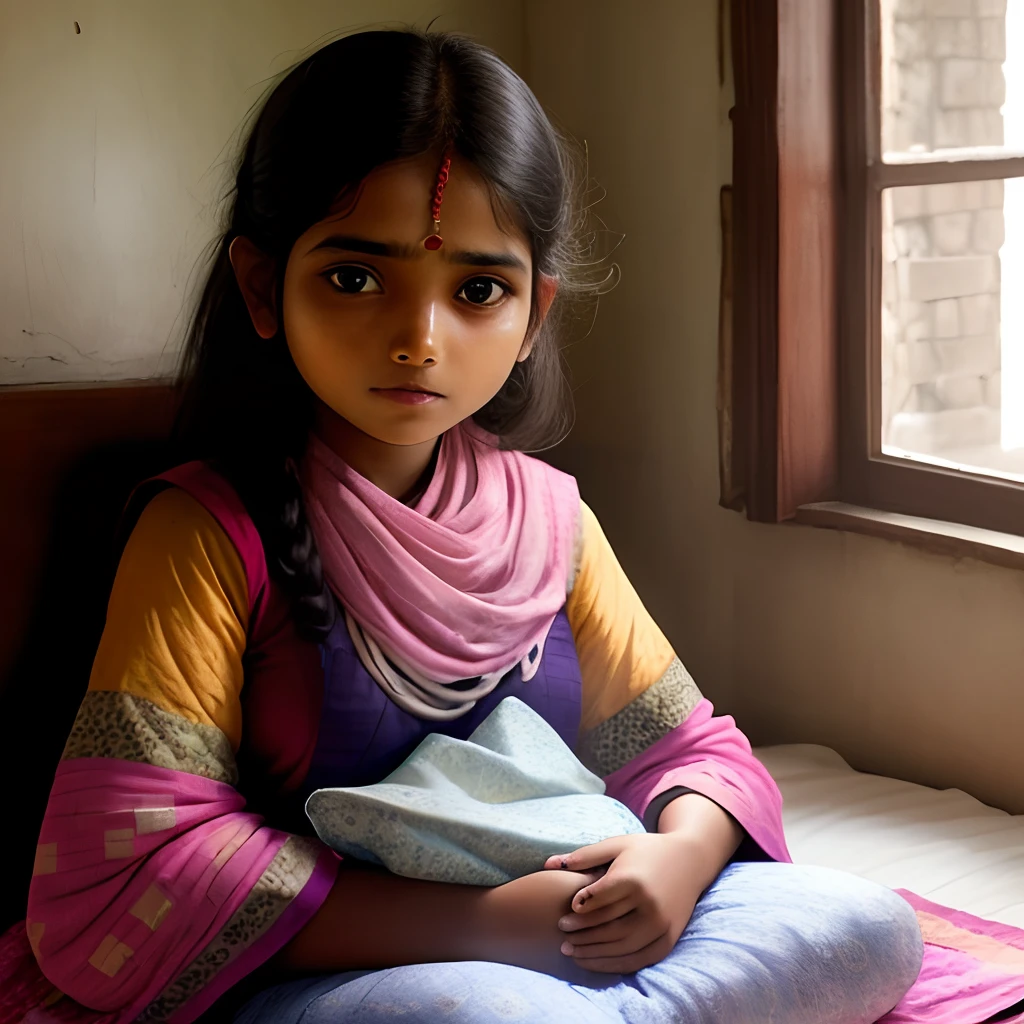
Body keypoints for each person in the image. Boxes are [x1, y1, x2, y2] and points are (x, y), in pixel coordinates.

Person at [17, 28, 923, 1024]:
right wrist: (492, 920)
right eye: (356, 277)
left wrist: (676, 854)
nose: (419, 338)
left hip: (565, 931)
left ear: (534, 313)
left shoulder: (550, 516)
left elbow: (688, 752)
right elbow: (136, 861)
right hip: (326, 964)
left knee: (869, 924)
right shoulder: (207, 532)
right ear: (259, 286)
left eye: (478, 290)